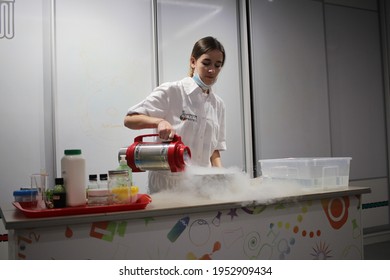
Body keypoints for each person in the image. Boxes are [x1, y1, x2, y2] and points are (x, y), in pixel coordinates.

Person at [124, 36, 226, 193]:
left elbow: (215, 150)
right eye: (206, 63)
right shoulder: (172, 91)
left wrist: (222, 178)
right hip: (168, 188)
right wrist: (159, 122)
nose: (212, 70)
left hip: (203, 188)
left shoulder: (217, 104)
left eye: (217, 65)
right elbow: (130, 120)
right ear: (193, 62)